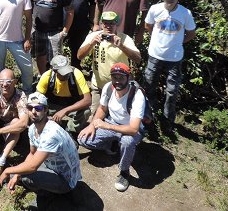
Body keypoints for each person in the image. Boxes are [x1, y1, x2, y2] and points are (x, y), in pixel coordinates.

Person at [0, 92, 82, 209]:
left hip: (66, 179)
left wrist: (8, 170)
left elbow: (32, 166)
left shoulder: (51, 134)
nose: (33, 112)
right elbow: (32, 154)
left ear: (46, 110)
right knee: (17, 174)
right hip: (52, 166)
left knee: (27, 176)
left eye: (38, 108)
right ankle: (48, 190)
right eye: (30, 108)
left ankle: (52, 194)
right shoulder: (33, 129)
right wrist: (17, 173)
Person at [79, 63, 146, 192]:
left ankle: (124, 171)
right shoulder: (108, 88)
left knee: (127, 141)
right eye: (114, 77)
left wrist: (105, 125)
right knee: (83, 139)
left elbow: (133, 129)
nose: (117, 81)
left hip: (131, 129)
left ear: (128, 77)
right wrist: (92, 125)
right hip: (112, 123)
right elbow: (102, 108)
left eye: (121, 77)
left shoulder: (137, 95)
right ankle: (113, 145)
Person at [143, 0, 196, 133]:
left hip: (174, 58)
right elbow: (148, 26)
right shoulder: (155, 9)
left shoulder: (185, 13)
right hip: (155, 55)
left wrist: (178, 42)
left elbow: (191, 34)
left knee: (172, 91)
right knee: (149, 85)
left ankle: (167, 123)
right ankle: (149, 116)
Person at [77, 11, 141, 113]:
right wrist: (92, 43)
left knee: (119, 115)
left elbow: (137, 59)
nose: (108, 26)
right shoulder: (94, 36)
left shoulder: (124, 38)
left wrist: (121, 46)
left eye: (112, 23)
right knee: (95, 115)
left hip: (120, 86)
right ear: (102, 24)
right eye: (106, 23)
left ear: (117, 24)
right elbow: (79, 56)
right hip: (98, 86)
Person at [26, 0, 74, 74]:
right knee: (40, 55)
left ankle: (56, 80)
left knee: (56, 58)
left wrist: (65, 31)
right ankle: (43, 77)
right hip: (38, 29)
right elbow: (26, 6)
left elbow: (70, 12)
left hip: (55, 31)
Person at [58, 0, 98, 69]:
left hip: (81, 24)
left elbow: (93, 4)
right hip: (63, 23)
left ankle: (75, 75)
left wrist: (93, 22)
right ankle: (56, 74)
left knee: (77, 52)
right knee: (56, 48)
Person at [36, 55, 91, 135]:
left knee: (86, 112)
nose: (66, 74)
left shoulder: (76, 74)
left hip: (72, 104)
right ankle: (46, 127)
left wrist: (65, 110)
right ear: (54, 71)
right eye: (62, 72)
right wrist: (44, 115)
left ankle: (71, 130)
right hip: (52, 105)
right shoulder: (46, 77)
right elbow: (36, 99)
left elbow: (88, 100)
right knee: (37, 111)